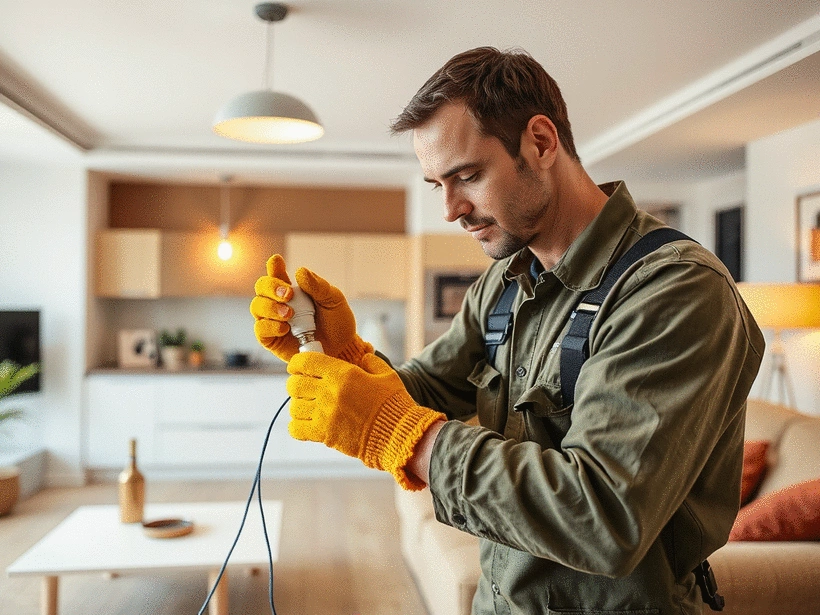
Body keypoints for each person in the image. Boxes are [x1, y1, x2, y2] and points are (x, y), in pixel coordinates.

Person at [250, 47, 764, 615]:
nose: (450, 209)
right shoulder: (504, 282)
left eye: (466, 176)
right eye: (436, 185)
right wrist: (340, 352)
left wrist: (408, 438)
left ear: (540, 142)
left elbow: (605, 516)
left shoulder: (673, 291)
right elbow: (422, 389)